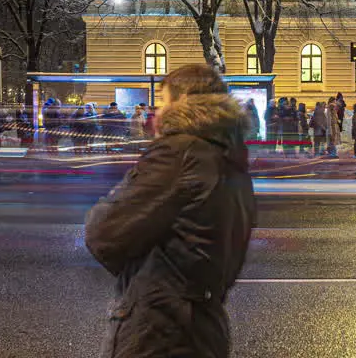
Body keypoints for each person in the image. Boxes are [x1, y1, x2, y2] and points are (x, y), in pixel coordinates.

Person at [84, 63, 255, 358]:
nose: (157, 112)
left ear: (182, 101)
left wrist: (138, 272)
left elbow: (104, 232)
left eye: (162, 102)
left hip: (159, 329)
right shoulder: (232, 159)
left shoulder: (179, 152)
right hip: (205, 327)